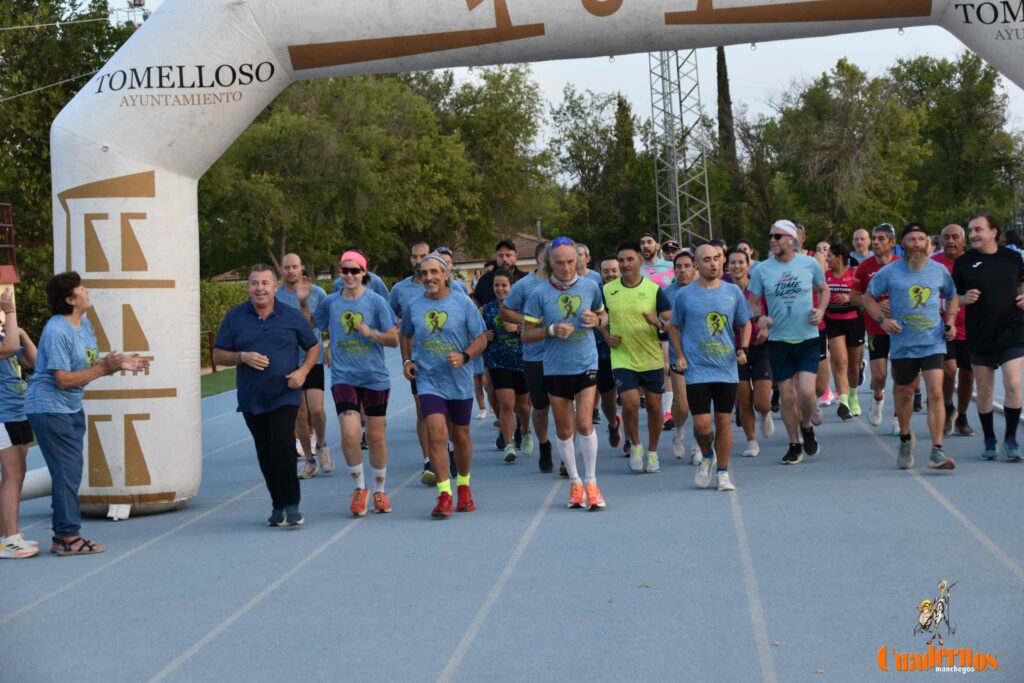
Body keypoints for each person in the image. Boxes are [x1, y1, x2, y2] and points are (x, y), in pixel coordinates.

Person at [26, 273, 149, 555]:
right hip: (49, 407)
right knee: (67, 473)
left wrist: (118, 363)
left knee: (69, 472)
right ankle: (67, 537)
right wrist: (104, 369)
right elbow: (63, 379)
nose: (87, 290)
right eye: (81, 288)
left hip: (70, 407)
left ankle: (64, 535)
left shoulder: (84, 325)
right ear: (70, 299)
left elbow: (88, 363)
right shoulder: (57, 330)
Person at [215, 265, 320, 527]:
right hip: (252, 397)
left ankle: (292, 505)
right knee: (265, 451)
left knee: (282, 445)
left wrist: (303, 372)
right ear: (247, 287)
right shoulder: (235, 317)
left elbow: (314, 346)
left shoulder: (291, 316)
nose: (259, 288)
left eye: (265, 283)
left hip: (285, 394)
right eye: (254, 283)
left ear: (275, 287)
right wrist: (242, 356)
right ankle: (277, 504)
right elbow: (218, 355)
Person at [309, 251, 398, 516]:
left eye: (354, 271)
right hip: (343, 376)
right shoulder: (331, 303)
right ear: (339, 272)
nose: (349, 275)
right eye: (345, 270)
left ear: (364, 273)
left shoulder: (377, 302)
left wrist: (372, 333)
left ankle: (380, 492)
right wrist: (303, 303)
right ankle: (360, 488)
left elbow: (393, 339)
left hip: (374, 377)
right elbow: (313, 324)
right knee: (349, 434)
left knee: (376, 438)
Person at [863, 224, 958, 470]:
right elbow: (868, 297)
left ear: (928, 242)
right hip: (903, 344)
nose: (916, 243)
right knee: (904, 393)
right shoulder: (890, 272)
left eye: (920, 239)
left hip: (933, 342)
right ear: (902, 244)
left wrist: (950, 321)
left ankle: (937, 449)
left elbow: (952, 295)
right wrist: (882, 321)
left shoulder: (938, 271)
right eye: (911, 240)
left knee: (935, 392)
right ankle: (905, 439)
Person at [523, 237, 607, 510]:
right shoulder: (538, 294)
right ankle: (575, 482)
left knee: (584, 423)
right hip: (556, 367)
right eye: (559, 263)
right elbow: (526, 335)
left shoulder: (591, 286)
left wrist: (597, 321)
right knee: (565, 429)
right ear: (549, 263)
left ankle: (592, 482)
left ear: (579, 260)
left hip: (586, 363)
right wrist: (551, 330)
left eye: (571, 261)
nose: (566, 267)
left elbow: (603, 316)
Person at [401, 253, 487, 517]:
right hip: (429, 380)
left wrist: (465, 356)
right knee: (436, 434)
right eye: (424, 273)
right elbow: (405, 334)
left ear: (445, 274)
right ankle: (444, 493)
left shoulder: (462, 303)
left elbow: (482, 337)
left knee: (460, 435)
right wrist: (407, 361)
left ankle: (463, 487)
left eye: (434, 272)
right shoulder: (413, 306)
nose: (429, 277)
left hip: (459, 381)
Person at [668, 245, 752, 491]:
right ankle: (707, 455)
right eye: (707, 260)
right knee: (703, 426)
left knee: (724, 420)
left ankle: (723, 473)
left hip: (726, 367)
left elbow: (745, 322)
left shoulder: (732, 291)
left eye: (717, 259)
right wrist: (680, 355)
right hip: (697, 369)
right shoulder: (685, 295)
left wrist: (743, 348)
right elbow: (673, 326)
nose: (714, 264)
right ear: (697, 265)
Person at [748, 220, 829, 465]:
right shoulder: (762, 269)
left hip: (807, 338)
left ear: (792, 240)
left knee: (806, 392)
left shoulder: (809, 264)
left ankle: (806, 426)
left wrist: (822, 310)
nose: (772, 240)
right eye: (771, 236)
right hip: (779, 341)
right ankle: (794, 444)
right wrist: (760, 317)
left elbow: (823, 289)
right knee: (787, 396)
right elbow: (752, 300)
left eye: (777, 236)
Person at [953, 212, 1024, 462]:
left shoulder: (1013, 258)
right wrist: (963, 299)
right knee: (984, 390)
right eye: (970, 230)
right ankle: (990, 439)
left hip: (1012, 331)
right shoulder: (964, 263)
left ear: (993, 232)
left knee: (1014, 384)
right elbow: (952, 298)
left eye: (978, 230)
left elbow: (1022, 283)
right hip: (980, 333)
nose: (972, 235)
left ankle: (1012, 439)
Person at [603, 241, 673, 474]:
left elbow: (670, 324)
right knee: (631, 403)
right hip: (622, 356)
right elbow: (599, 317)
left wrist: (658, 323)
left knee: (654, 406)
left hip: (650, 356)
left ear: (640, 261)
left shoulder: (654, 290)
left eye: (630, 259)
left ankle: (652, 451)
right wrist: (605, 335)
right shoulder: (608, 290)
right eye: (621, 260)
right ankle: (636, 445)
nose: (625, 264)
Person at [276, 253, 332, 479]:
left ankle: (321, 445)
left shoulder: (317, 294)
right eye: (287, 267)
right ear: (282, 270)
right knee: (299, 414)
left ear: (301, 268)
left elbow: (315, 326)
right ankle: (309, 461)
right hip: (288, 360)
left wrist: (330, 349)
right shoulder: (275, 296)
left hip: (312, 357)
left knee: (316, 410)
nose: (291, 271)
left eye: (295, 267)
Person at [501, 242, 554, 472]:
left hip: (563, 355)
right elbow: (506, 310)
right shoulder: (525, 285)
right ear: (541, 259)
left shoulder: (565, 284)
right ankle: (544, 444)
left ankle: (566, 458)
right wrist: (527, 321)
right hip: (534, 355)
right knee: (540, 408)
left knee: (565, 408)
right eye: (552, 257)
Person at [389, 241, 436, 484]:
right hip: (418, 361)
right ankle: (428, 459)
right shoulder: (400, 290)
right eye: (415, 257)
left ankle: (445, 448)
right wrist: (406, 358)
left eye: (424, 256)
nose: (419, 261)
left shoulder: (450, 289)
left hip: (444, 360)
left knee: (444, 413)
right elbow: (392, 316)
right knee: (423, 410)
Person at [852, 223, 901, 434]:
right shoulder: (865, 267)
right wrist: (873, 304)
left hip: (901, 329)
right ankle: (877, 397)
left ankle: (899, 417)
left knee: (900, 375)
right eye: (874, 238)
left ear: (892, 243)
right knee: (879, 376)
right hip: (876, 327)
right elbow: (854, 297)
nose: (876, 243)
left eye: (881, 239)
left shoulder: (902, 264)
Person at [0, 289, 38, 559]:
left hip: (18, 412)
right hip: (2, 415)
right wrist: (10, 312)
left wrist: (22, 333)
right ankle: (10, 538)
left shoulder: (7, 336)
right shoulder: (5, 342)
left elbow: (35, 362)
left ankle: (9, 535)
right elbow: (10, 349)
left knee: (16, 474)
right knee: (13, 475)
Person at [482, 269, 533, 464]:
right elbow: (482, 332)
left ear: (512, 287)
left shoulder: (521, 308)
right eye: (497, 285)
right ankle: (509, 444)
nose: (500, 289)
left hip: (520, 361)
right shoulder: (489, 309)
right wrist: (485, 336)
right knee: (506, 404)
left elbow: (535, 327)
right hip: (498, 361)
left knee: (522, 405)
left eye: (504, 285)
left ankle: (526, 431)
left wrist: (518, 327)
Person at [727, 247, 773, 458]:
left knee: (761, 401)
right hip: (735, 351)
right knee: (744, 398)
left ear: (748, 265)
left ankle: (765, 414)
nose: (737, 266)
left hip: (761, 347)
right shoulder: (723, 291)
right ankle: (751, 440)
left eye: (740, 262)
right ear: (727, 266)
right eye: (733, 262)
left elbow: (772, 314)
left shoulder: (760, 290)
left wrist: (766, 328)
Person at [932, 224, 975, 437]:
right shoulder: (933, 264)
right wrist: (956, 302)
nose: (950, 240)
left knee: (968, 373)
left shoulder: (973, 262)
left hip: (971, 327)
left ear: (963, 241)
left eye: (955, 237)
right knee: (949, 369)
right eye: (946, 237)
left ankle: (963, 415)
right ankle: (949, 408)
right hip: (943, 327)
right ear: (941, 241)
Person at [824, 242, 865, 420]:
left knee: (854, 366)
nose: (826, 259)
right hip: (833, 321)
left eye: (829, 256)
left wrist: (849, 298)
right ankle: (844, 402)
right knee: (840, 362)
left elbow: (865, 298)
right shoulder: (825, 276)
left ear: (839, 258)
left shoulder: (854, 274)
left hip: (854, 321)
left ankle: (853, 396)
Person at [665, 250, 697, 461]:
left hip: (702, 354)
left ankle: (698, 446)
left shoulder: (703, 289)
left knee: (699, 406)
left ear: (695, 268)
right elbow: (664, 326)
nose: (683, 270)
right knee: (683, 405)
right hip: (678, 355)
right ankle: (679, 432)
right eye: (679, 267)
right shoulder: (667, 293)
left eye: (687, 266)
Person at [596, 256, 624, 448]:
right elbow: (594, 319)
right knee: (607, 400)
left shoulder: (628, 290)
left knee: (630, 399)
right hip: (602, 353)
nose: (610, 274)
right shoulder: (595, 294)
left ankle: (631, 441)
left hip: (627, 351)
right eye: (606, 271)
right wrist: (605, 335)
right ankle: (613, 423)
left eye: (614, 270)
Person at [472, 240, 526, 308]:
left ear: (515, 256)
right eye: (500, 256)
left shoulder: (525, 280)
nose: (504, 259)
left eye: (508, 255)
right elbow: (475, 303)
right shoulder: (485, 280)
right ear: (496, 257)